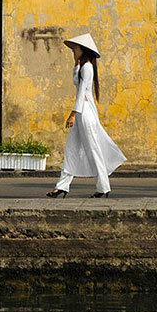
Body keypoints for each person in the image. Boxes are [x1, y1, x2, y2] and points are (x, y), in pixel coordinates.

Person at [46, 33, 126, 198]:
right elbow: (77, 83)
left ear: (83, 50)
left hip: (85, 114)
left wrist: (72, 114)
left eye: (75, 49)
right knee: (71, 149)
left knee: (93, 150)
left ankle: (103, 187)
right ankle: (61, 186)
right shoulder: (83, 67)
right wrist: (76, 64)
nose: (73, 52)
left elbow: (81, 92)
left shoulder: (88, 67)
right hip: (81, 114)